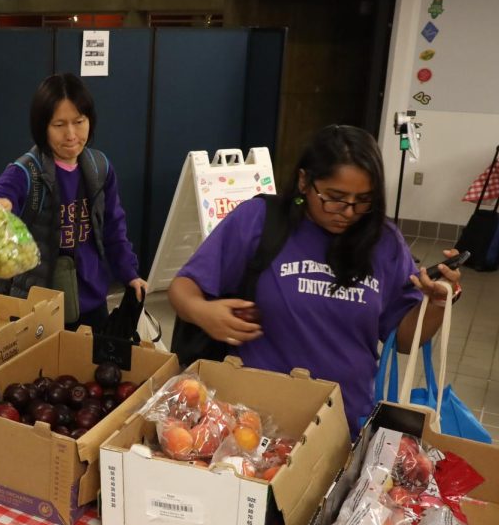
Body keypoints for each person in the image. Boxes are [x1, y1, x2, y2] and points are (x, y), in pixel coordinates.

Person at [169, 125, 463, 437]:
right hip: (252, 422)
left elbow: (405, 340)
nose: (348, 212)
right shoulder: (258, 220)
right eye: (334, 198)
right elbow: (182, 288)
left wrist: (438, 301)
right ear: (304, 181)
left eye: (363, 200)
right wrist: (205, 313)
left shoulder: (384, 241)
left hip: (342, 425)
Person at [0, 73, 146, 331]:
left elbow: (113, 228)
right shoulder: (26, 171)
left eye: (79, 121)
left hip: (93, 300)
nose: (71, 134)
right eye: (59, 124)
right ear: (42, 127)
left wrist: (130, 273)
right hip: (39, 303)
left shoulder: (99, 167)